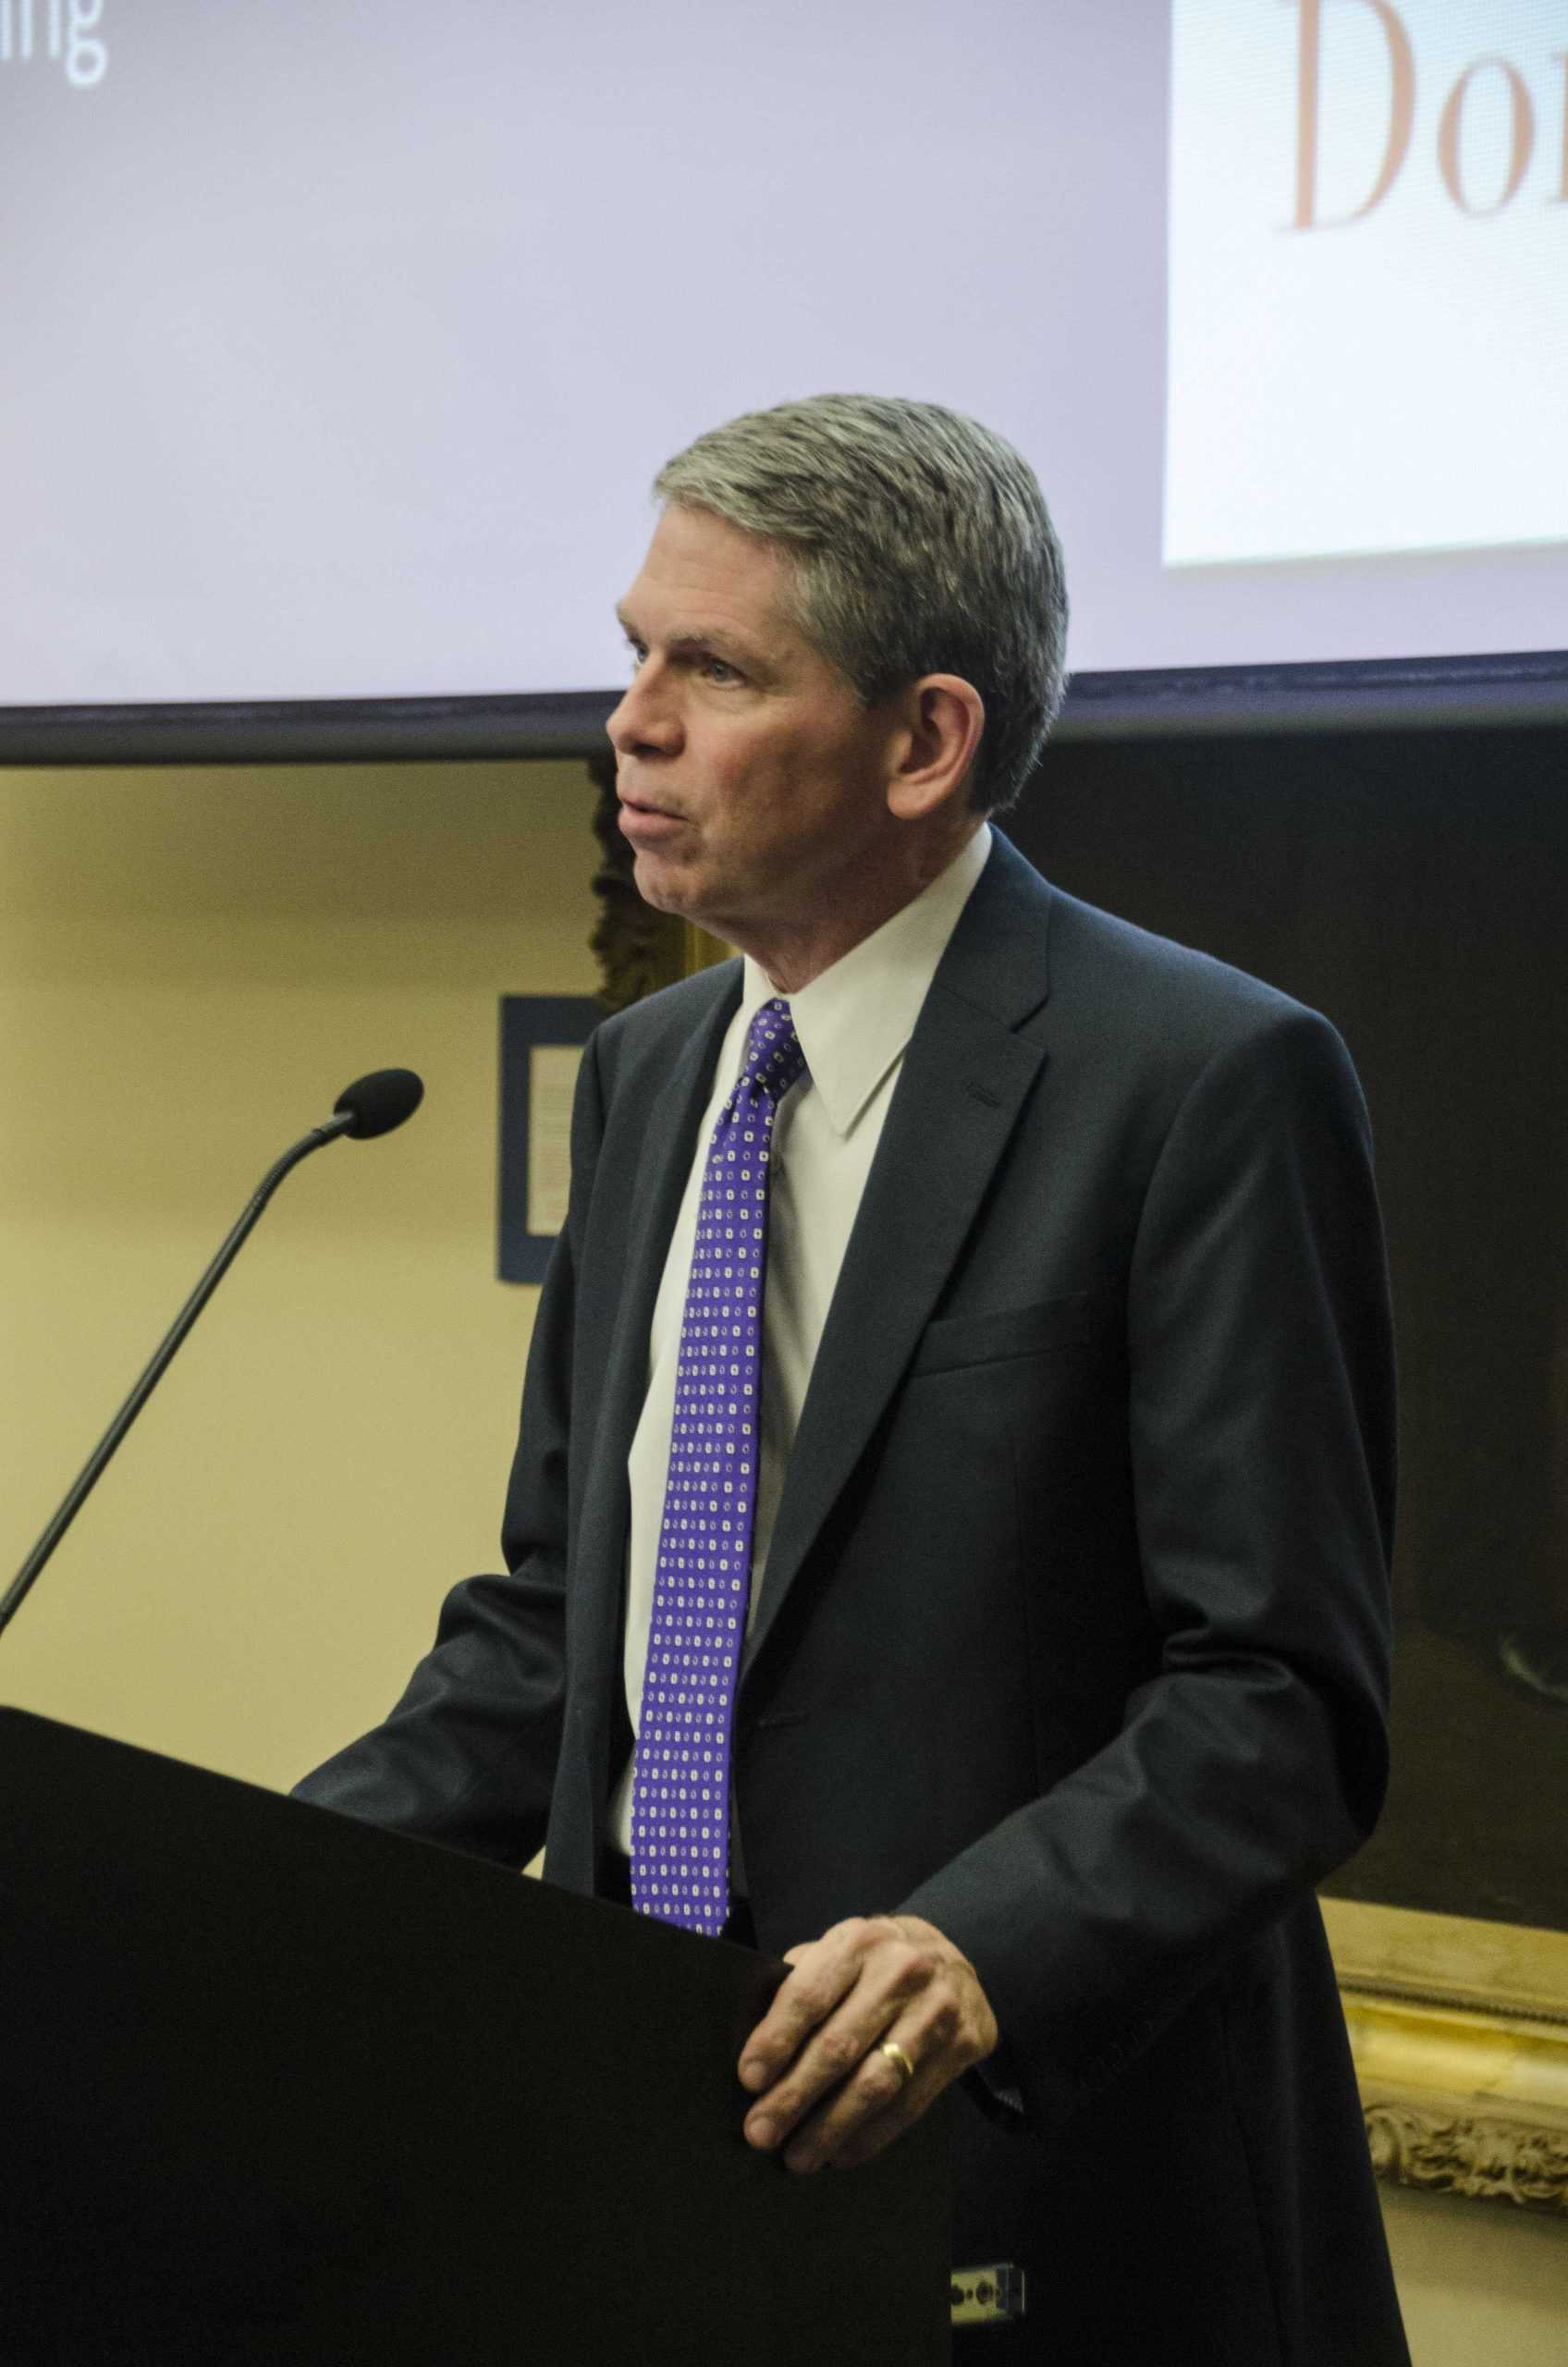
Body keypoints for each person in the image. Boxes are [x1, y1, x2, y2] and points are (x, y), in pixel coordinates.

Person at [296, 394, 1409, 2363]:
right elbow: (561, 1625)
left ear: (924, 739)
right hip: (661, 2142)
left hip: (1043, 2193)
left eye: (711, 669)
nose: (629, 721)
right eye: (632, 651)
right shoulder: (652, 1079)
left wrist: (978, 1944)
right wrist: (252, 1895)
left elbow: (1276, 1694)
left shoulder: (1198, 1083)